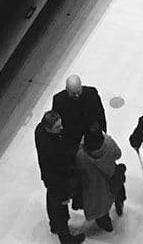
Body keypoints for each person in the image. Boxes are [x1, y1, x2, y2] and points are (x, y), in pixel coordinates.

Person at [35, 110, 84, 243]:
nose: (61, 128)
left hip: (49, 177)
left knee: (52, 200)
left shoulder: (40, 130)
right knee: (60, 208)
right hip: (57, 180)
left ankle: (54, 225)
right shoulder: (50, 149)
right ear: (48, 128)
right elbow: (61, 167)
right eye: (57, 127)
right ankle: (66, 237)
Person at [75, 126, 124, 232]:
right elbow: (118, 154)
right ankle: (119, 202)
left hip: (95, 187)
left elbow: (79, 171)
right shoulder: (109, 143)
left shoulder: (81, 156)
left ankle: (106, 224)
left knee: (100, 207)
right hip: (111, 177)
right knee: (117, 189)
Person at [51, 74, 108, 150]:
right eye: (73, 93)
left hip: (93, 137)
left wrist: (102, 134)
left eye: (78, 91)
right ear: (67, 89)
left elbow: (100, 114)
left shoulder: (91, 93)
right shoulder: (58, 100)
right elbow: (58, 122)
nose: (77, 95)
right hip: (74, 142)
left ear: (81, 85)